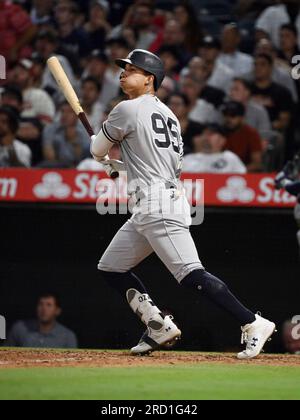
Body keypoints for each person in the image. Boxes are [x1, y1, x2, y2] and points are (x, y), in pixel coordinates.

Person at [90, 48, 276, 359]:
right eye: (123, 69)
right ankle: (157, 324)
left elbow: (97, 149)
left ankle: (253, 322)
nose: (123, 74)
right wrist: (120, 166)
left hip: (157, 205)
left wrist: (103, 156)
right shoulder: (170, 116)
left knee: (191, 275)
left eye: (131, 70)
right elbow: (158, 162)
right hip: (156, 201)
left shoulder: (126, 108)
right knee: (111, 267)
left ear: (150, 79)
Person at [6, 293, 78, 348]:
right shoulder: (20, 328)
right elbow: (4, 355)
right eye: (41, 304)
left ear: (57, 310)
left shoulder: (68, 337)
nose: (44, 309)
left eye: (49, 305)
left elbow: (73, 365)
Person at [0, 85, 43, 164]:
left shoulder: (31, 120)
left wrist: (10, 136)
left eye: (11, 99)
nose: (7, 101)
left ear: (21, 105)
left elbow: (33, 133)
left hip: (30, 160)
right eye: (4, 98)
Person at [251, 54, 294, 133]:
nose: (258, 67)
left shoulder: (282, 92)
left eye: (263, 64)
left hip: (272, 134)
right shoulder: (246, 90)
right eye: (255, 64)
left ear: (270, 68)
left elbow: (283, 122)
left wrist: (262, 127)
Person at [182, 124, 247, 174]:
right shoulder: (188, 159)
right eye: (204, 134)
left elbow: (242, 178)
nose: (206, 137)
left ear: (222, 140)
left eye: (210, 134)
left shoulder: (230, 158)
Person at [42, 102, 90, 168]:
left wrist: (73, 140)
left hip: (79, 166)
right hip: (57, 165)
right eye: (62, 111)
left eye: (70, 112)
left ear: (77, 115)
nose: (65, 115)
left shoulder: (85, 130)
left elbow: (83, 157)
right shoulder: (50, 128)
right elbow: (49, 157)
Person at [10, 59, 55, 126]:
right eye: (15, 71)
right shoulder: (4, 93)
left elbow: (47, 121)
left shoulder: (40, 95)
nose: (17, 74)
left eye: (22, 72)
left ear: (31, 76)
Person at [222, 101, 263, 172]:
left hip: (244, 173)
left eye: (233, 115)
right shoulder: (219, 132)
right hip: (220, 171)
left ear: (242, 118)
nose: (228, 119)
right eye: (225, 115)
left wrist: (237, 172)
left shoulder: (251, 133)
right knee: (199, 180)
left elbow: (257, 164)